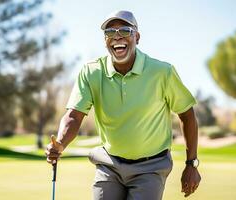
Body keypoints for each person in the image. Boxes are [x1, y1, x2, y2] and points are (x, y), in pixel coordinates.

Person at [45, 10, 201, 200]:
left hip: (151, 167)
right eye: (110, 32)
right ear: (105, 40)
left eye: (125, 31)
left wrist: (191, 163)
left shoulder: (162, 72)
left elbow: (187, 114)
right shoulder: (91, 72)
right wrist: (60, 143)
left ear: (137, 37)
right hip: (109, 163)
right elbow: (73, 115)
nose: (117, 37)